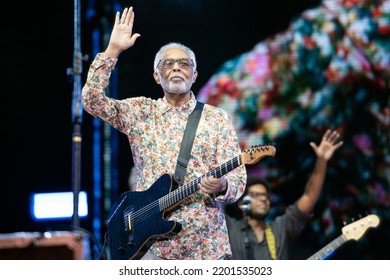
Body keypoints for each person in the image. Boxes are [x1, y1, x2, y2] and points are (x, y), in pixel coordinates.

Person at [81, 6, 246, 260]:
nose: (176, 68)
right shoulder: (140, 112)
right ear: (157, 76)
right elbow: (91, 101)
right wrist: (112, 50)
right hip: (153, 247)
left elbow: (238, 178)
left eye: (184, 64)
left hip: (206, 247)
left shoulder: (217, 118)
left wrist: (222, 185)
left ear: (195, 75)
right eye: (167, 64)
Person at [225, 129, 343, 260]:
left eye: (265, 196)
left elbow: (309, 197)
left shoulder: (280, 230)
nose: (263, 199)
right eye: (256, 195)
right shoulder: (228, 229)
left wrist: (321, 160)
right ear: (241, 204)